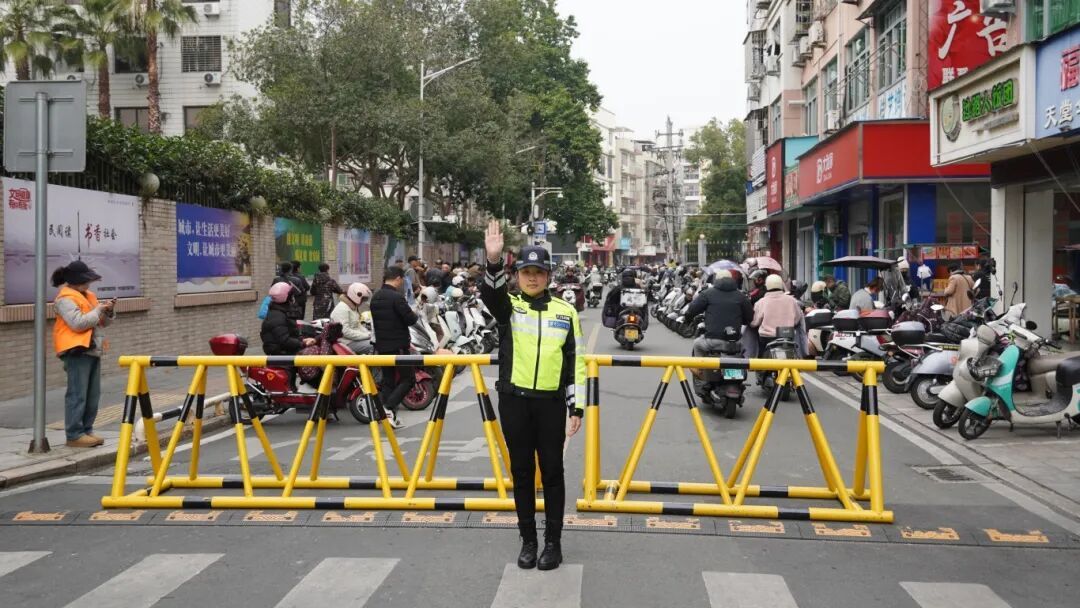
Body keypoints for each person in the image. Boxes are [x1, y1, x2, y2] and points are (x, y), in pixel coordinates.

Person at [481, 219, 584, 572]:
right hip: (515, 402)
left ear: (549, 276)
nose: (533, 278)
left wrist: (576, 407)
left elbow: (575, 362)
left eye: (539, 272)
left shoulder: (566, 312)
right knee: (522, 472)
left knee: (553, 472)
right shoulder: (509, 306)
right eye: (527, 272)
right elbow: (491, 295)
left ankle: (553, 543)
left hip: (550, 405)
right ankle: (528, 540)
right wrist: (493, 260)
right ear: (518, 275)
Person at [52, 261, 115, 448]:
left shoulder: (89, 296)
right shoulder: (64, 299)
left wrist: (108, 311)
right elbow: (78, 323)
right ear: (76, 280)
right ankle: (74, 434)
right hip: (76, 351)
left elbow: (102, 323)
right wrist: (98, 310)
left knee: (92, 395)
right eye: (86, 280)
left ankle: (87, 430)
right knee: (77, 394)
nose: (89, 284)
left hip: (92, 349)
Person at [369, 266, 419, 428]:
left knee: (388, 381)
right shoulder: (396, 297)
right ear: (398, 278)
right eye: (402, 280)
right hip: (399, 346)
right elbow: (411, 319)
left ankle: (388, 417)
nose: (402, 282)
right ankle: (388, 408)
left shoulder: (376, 297)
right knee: (408, 379)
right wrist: (414, 312)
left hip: (382, 345)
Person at [261, 282, 318, 391]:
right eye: (291, 296)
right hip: (281, 352)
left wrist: (303, 340)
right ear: (286, 298)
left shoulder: (280, 312)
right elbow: (284, 340)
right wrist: (302, 343)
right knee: (312, 360)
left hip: (283, 350)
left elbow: (289, 334)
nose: (293, 299)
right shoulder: (277, 316)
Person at [687, 270, 753, 357]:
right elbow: (749, 317)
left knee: (697, 344)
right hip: (734, 342)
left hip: (712, 340)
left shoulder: (707, 293)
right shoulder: (741, 296)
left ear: (716, 280)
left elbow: (692, 310)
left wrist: (689, 318)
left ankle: (699, 366)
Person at [752, 274, 804, 356]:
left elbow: (755, 323)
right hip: (787, 337)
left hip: (767, 338)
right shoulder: (792, 300)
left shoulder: (761, 302)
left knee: (761, 359)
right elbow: (797, 319)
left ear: (767, 286)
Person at [331, 283, 373, 353]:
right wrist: (367, 336)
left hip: (354, 340)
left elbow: (358, 325)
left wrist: (369, 334)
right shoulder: (342, 308)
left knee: (377, 342)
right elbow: (345, 331)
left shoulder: (352, 307)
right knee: (375, 345)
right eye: (363, 299)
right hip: (346, 342)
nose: (363, 301)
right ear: (356, 295)